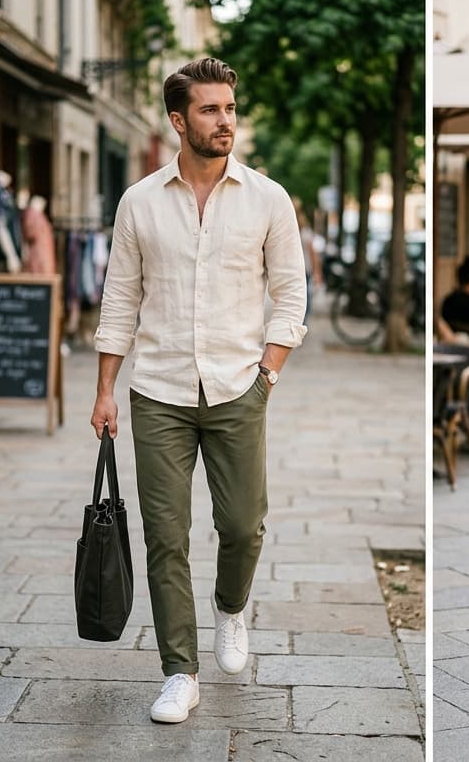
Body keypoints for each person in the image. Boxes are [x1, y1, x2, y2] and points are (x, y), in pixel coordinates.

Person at [90, 58, 307, 725]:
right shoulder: (139, 203)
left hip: (239, 386)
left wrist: (267, 374)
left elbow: (290, 293)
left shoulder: (268, 198)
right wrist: (104, 392)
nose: (225, 122)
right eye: (210, 111)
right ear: (179, 120)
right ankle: (178, 671)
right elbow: (120, 298)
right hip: (157, 391)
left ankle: (231, 608)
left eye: (231, 109)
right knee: (165, 535)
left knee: (243, 526)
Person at [0, 171, 22, 273]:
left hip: (3, 250)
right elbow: (0, 227)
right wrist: (11, 255)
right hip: (1, 252)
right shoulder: (0, 196)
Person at [21, 194, 57, 275]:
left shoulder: (37, 214)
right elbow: (30, 233)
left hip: (43, 249)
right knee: (38, 271)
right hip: (38, 251)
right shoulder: (31, 214)